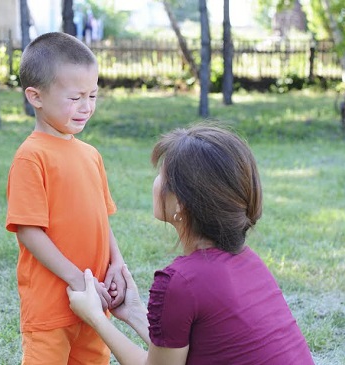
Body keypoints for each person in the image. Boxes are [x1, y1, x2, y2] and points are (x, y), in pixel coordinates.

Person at [67, 124, 315, 365]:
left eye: (161, 175)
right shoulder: (247, 260)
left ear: (181, 204)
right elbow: (180, 351)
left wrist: (96, 317)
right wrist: (132, 311)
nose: (156, 182)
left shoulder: (181, 282)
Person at [5, 31, 126, 365]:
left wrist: (117, 263)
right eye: (75, 98)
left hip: (94, 303)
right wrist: (77, 279)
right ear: (36, 96)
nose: (86, 107)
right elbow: (28, 231)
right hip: (52, 306)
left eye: (93, 95)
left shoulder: (90, 155)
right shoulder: (32, 157)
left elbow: (102, 219)